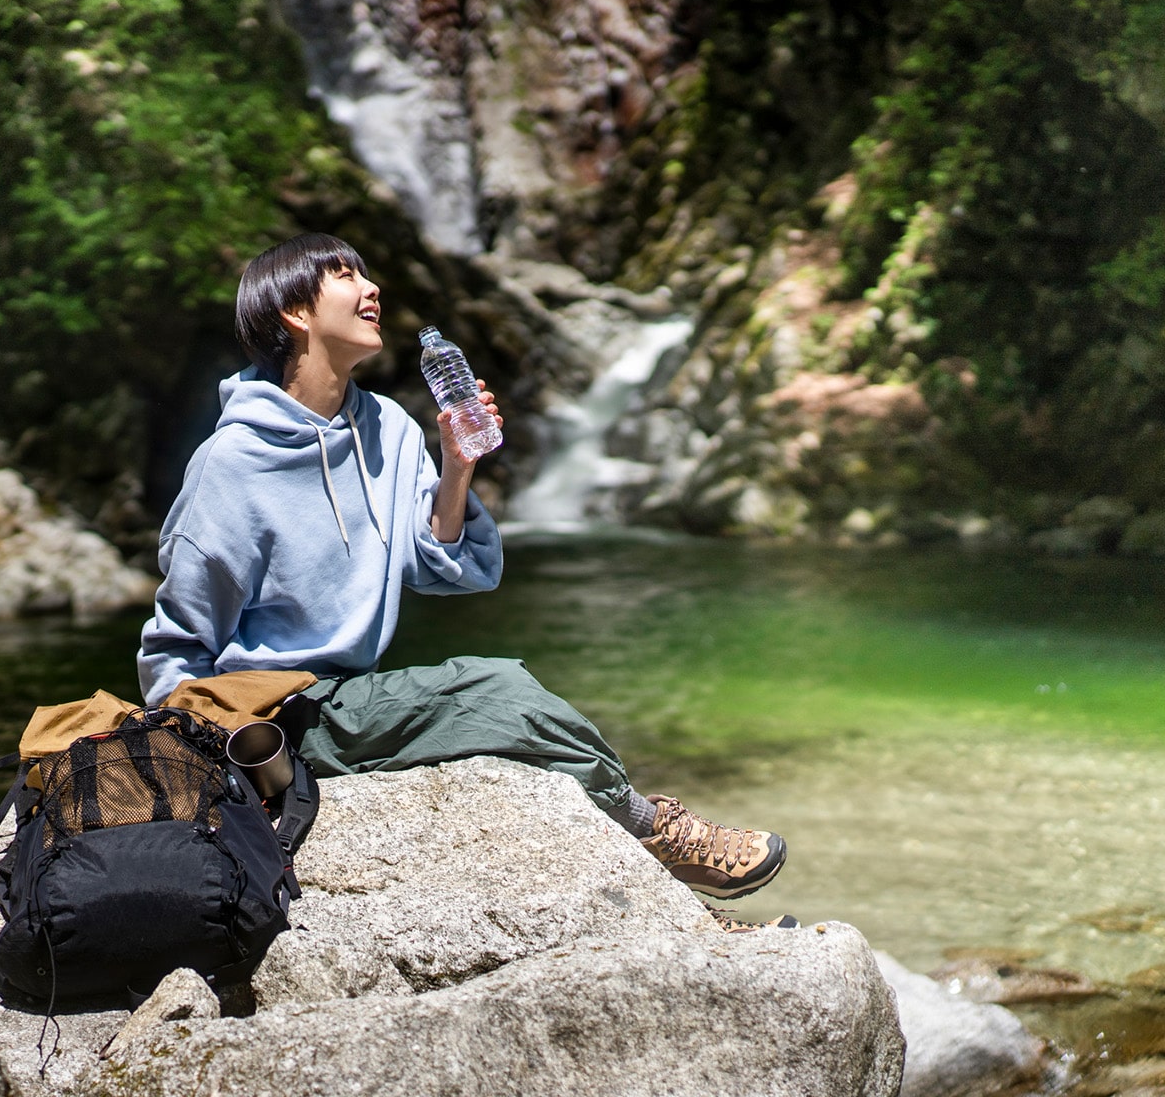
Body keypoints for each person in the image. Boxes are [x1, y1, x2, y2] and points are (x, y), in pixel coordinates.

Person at [136, 233, 786, 900]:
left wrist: (456, 465)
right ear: (295, 315)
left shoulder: (385, 425)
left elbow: (446, 567)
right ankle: (654, 829)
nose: (370, 288)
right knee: (499, 691)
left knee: (507, 708)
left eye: (365, 271)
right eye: (343, 275)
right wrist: (227, 768)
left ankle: (666, 904)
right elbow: (179, 644)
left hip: (346, 697)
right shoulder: (233, 464)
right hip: (276, 718)